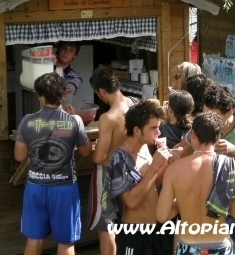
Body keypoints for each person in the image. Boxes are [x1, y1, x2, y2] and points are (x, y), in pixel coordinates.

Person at [14, 72, 91, 255]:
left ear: (40, 96)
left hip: (35, 186)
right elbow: (86, 152)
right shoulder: (74, 121)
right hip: (64, 187)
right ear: (63, 94)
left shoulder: (27, 121)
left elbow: (19, 156)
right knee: (66, 242)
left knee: (34, 240)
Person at [156, 113, 235, 255]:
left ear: (192, 135)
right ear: (218, 139)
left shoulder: (174, 169)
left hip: (187, 245)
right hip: (219, 245)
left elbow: (162, 215)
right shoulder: (229, 166)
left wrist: (182, 201)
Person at [105, 100, 173, 255]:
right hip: (134, 234)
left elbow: (150, 184)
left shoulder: (144, 149)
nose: (159, 132)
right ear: (137, 130)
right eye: (153, 128)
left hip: (155, 231)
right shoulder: (119, 158)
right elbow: (131, 202)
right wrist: (154, 166)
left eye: (158, 127)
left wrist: (166, 165)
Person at [84, 65, 137, 255]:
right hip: (131, 170)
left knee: (106, 226)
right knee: (128, 222)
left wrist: (89, 151)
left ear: (101, 91)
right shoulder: (134, 105)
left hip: (107, 174)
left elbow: (99, 158)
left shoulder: (108, 117)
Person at [202, 83, 235, 156]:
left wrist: (234, 150)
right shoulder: (201, 127)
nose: (207, 120)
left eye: (213, 116)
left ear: (229, 112)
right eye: (204, 114)